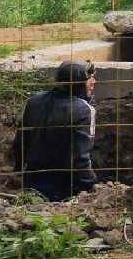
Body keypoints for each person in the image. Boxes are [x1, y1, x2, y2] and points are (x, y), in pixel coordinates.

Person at [12, 61, 99, 201]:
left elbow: (21, 142)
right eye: (90, 78)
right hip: (64, 190)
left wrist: (18, 169)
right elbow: (79, 160)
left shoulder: (34, 101)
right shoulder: (84, 111)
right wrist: (94, 187)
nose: (93, 82)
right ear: (79, 83)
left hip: (31, 184)